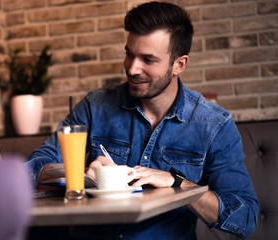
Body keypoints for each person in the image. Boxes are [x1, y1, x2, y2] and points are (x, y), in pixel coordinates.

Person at [25, 1, 259, 239]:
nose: (133, 68)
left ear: (179, 64)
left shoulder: (214, 125)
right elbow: (32, 168)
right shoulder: (94, 107)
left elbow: (245, 217)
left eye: (148, 59)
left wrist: (178, 184)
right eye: (129, 54)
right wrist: (80, 174)